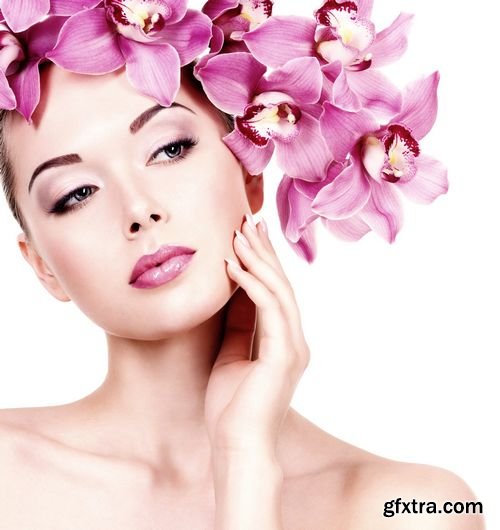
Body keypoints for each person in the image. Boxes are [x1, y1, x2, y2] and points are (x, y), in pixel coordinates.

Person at [0, 1, 485, 529]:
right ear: (41, 267)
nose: (139, 210)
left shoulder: (417, 510)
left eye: (169, 149)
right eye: (77, 194)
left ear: (250, 172)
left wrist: (245, 463)